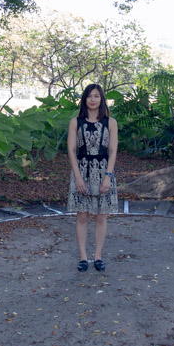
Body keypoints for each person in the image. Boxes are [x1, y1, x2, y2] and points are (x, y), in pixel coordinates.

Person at [67, 83, 119, 272]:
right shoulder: (75, 122)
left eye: (96, 96)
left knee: (100, 216)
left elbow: (113, 151)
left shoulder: (110, 122)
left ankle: (98, 256)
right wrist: (78, 177)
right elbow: (71, 151)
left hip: (103, 171)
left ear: (102, 99)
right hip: (82, 171)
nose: (93, 99)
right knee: (82, 216)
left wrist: (108, 176)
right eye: (89, 96)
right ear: (84, 99)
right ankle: (83, 257)